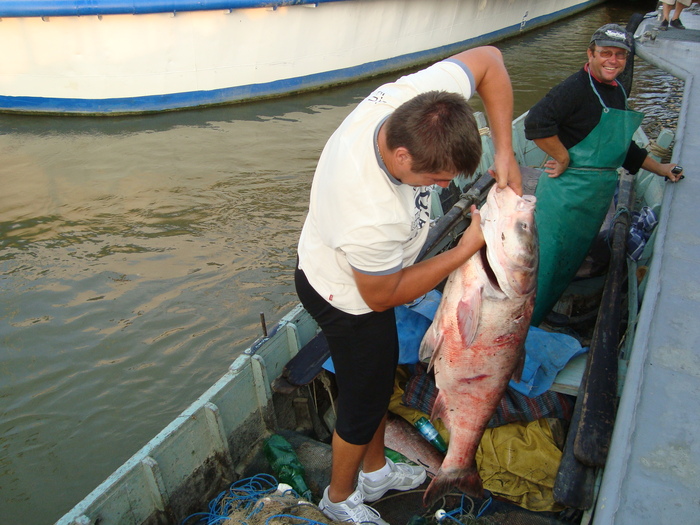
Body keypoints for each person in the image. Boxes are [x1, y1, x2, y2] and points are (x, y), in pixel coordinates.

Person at [295, 46, 521, 524]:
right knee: (364, 401)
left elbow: (488, 61)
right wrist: (463, 252)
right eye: (435, 177)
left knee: (376, 381)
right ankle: (338, 499)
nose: (443, 185)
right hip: (347, 297)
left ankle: (375, 473)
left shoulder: (415, 103)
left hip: (363, 273)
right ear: (401, 154)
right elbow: (381, 294)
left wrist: (505, 150)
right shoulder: (368, 210)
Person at [524, 24, 684, 327]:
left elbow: (625, 149)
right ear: (590, 54)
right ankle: (523, 323)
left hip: (595, 197)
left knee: (568, 261)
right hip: (566, 195)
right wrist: (562, 156)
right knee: (544, 263)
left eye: (620, 55)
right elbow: (535, 123)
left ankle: (541, 312)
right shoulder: (574, 88)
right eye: (605, 53)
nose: (613, 60)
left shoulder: (617, 90)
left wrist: (662, 169)